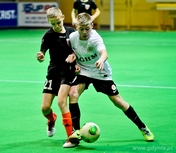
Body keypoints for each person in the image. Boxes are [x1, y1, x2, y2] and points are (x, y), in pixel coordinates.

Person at [66, 12, 154, 143]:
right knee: (73, 93)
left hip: (100, 72)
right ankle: (77, 131)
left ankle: (142, 127)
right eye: (81, 29)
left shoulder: (95, 38)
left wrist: (101, 60)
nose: (85, 32)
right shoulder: (72, 37)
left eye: (87, 28)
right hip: (84, 71)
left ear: (92, 25)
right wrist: (74, 61)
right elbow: (71, 50)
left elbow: (104, 53)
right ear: (76, 26)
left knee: (118, 101)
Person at [36, 7, 81, 148]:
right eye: (52, 24)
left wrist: (76, 61)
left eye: (58, 22)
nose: (56, 26)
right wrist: (40, 56)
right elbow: (42, 52)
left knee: (62, 101)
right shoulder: (48, 35)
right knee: (44, 108)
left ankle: (71, 136)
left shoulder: (72, 33)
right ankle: (52, 119)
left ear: (62, 17)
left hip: (67, 71)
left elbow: (79, 51)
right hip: (53, 72)